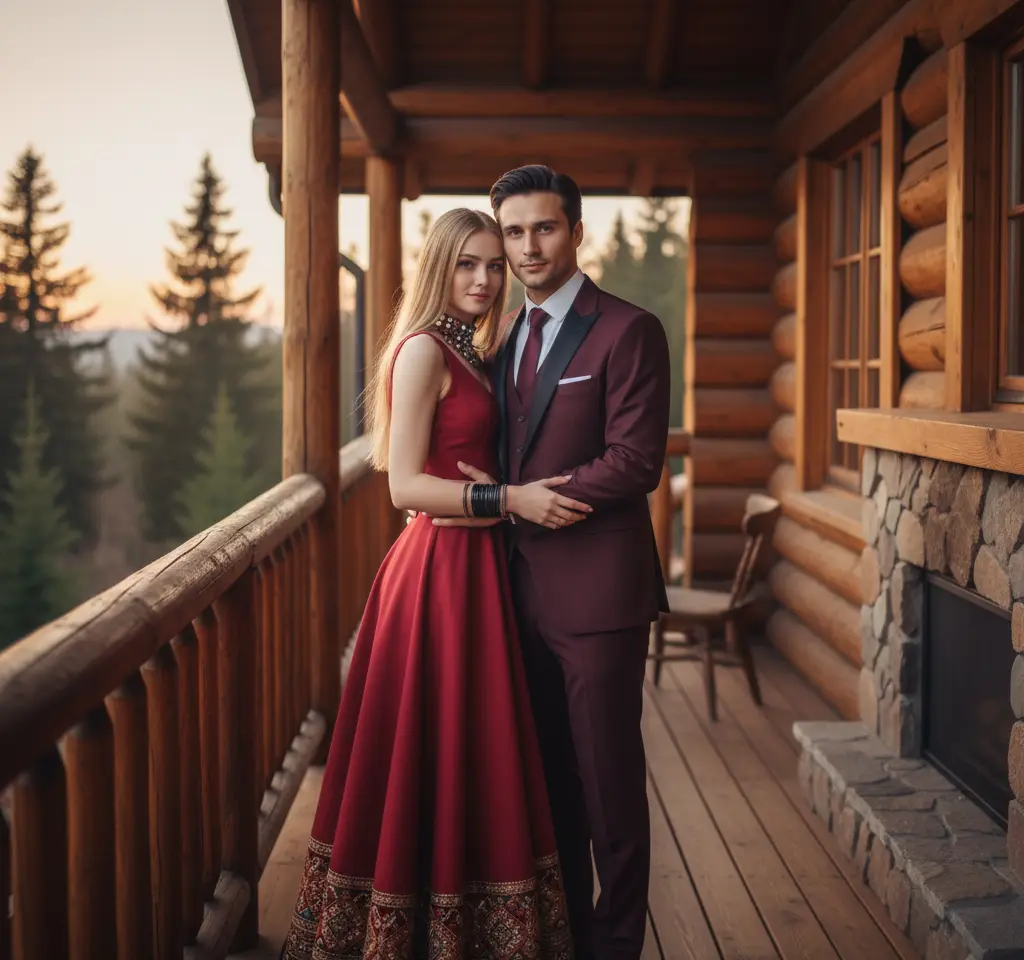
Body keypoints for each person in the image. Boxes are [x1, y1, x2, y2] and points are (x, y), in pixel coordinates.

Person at [281, 208, 582, 960]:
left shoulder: (473, 348)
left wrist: (495, 492)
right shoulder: (423, 350)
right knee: (433, 738)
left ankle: (470, 920)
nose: (485, 279)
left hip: (474, 568)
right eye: (467, 266)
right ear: (438, 270)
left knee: (470, 740)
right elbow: (404, 485)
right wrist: (507, 499)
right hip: (438, 574)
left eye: (493, 264)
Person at [434, 166, 671, 960]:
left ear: (575, 231)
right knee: (549, 782)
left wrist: (526, 493)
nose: (528, 247)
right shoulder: (498, 338)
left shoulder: (627, 329)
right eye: (513, 232)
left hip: (600, 596)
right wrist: (445, 491)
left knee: (608, 784)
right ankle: (567, 930)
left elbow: (635, 461)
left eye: (544, 228)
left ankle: (618, 944)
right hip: (510, 593)